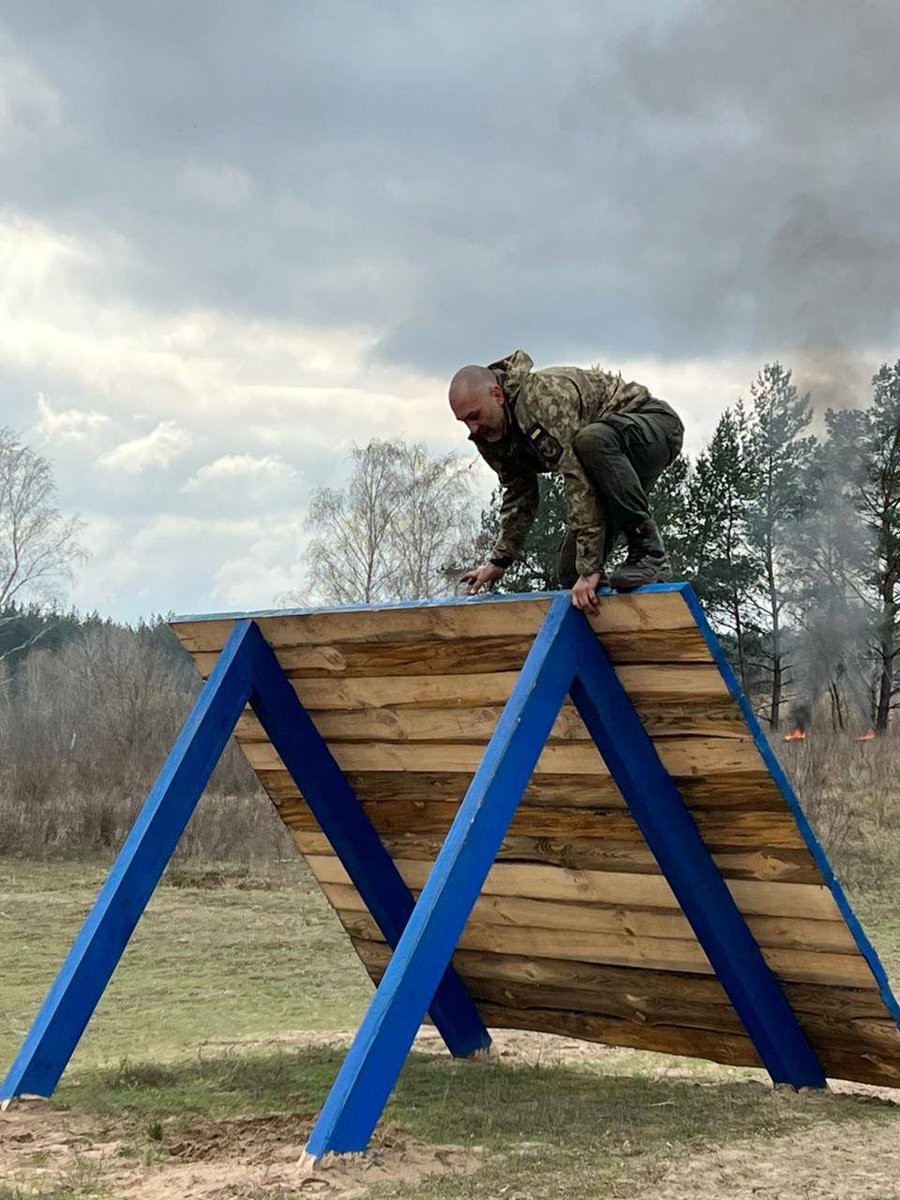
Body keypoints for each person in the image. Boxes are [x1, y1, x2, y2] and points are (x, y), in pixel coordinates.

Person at [450, 350, 684, 613]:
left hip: (652, 428)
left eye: (474, 415)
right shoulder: (491, 437)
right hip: (609, 467)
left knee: (591, 441)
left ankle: (649, 553)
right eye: (464, 422)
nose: (473, 429)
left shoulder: (540, 399)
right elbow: (519, 494)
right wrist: (500, 560)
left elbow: (578, 479)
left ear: (497, 395)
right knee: (573, 574)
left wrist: (590, 569)